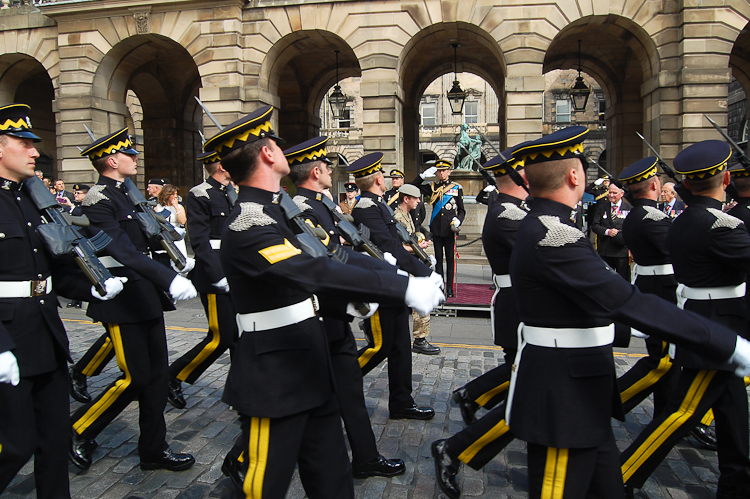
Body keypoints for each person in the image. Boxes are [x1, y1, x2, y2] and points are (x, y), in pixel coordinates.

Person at [202, 105, 443, 497]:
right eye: (276, 144)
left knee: (333, 479)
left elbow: (333, 258)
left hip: (311, 362)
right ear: (267, 154)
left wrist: (398, 274)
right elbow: (310, 272)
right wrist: (401, 289)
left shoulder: (278, 210)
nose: (282, 150)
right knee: (260, 487)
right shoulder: (249, 221)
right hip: (275, 375)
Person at [500, 126, 750, 499]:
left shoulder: (543, 225)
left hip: (581, 395)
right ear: (574, 175)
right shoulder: (556, 236)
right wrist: (726, 343)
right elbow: (629, 303)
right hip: (564, 400)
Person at [0, 103, 125, 499]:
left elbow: (50, 272)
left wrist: (93, 287)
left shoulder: (32, 202)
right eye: (23, 143)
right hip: (7, 340)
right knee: (15, 444)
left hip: (44, 335)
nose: (35, 151)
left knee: (54, 441)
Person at [620, 140, 750, 499]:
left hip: (709, 320)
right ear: (726, 178)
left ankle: (736, 482)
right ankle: (621, 475)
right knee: (683, 412)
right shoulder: (721, 224)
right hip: (717, 326)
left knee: (733, 413)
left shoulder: (684, 221)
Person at [69, 127, 198, 472]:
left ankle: (153, 449)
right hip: (121, 297)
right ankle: (79, 428)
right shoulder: (99, 199)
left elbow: (146, 239)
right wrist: (167, 277)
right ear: (112, 160)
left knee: (155, 377)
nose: (136, 158)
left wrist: (176, 254)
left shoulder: (127, 196)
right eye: (130, 154)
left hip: (145, 295)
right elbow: (121, 249)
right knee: (136, 377)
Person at [283, 135, 406, 479]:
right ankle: (243, 457)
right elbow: (328, 258)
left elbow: (351, 241)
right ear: (316, 171)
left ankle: (366, 457)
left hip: (333, 314)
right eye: (325, 165)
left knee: (349, 389)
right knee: (300, 395)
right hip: (320, 313)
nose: (330, 170)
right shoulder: (303, 208)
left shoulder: (323, 204)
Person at [433, 147, 529, 499]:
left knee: (526, 388)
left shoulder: (514, 210)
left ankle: (470, 399)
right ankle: (456, 443)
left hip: (522, 306)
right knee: (526, 390)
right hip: (518, 306)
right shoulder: (508, 215)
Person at [349, 152, 439, 420]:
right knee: (383, 346)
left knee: (400, 345)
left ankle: (402, 401)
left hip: (394, 281)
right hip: (381, 283)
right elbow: (386, 246)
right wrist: (422, 272)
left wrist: (418, 262)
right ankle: (333, 384)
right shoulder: (367, 206)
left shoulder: (378, 204)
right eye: (384, 175)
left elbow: (397, 241)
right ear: (379, 178)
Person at [166, 151, 238, 412]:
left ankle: (239, 391)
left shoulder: (234, 191)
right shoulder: (200, 194)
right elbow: (200, 240)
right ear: (220, 165)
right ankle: (173, 375)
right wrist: (219, 275)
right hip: (214, 275)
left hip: (235, 271)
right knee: (220, 337)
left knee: (240, 335)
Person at [393, 183, 440, 355]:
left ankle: (418, 338)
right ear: (406, 199)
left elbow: (409, 242)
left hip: (411, 262)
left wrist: (419, 246)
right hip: (407, 265)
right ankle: (420, 339)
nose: (419, 201)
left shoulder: (407, 215)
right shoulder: (398, 217)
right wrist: (417, 248)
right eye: (416, 198)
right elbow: (397, 246)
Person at [410, 159, 465, 297]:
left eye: (444, 170)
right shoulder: (432, 186)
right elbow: (413, 187)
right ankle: (440, 286)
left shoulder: (456, 188)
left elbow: (462, 210)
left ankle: (450, 288)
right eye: (439, 171)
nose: (441, 173)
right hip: (436, 228)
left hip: (449, 229)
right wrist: (422, 176)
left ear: (449, 171)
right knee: (438, 259)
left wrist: (458, 220)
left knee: (450, 260)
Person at [591, 182, 632, 281]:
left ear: (621, 193)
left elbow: (632, 230)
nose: (611, 195)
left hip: (621, 252)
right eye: (610, 193)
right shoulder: (602, 208)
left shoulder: (629, 208)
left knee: (623, 280)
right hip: (605, 251)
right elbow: (595, 226)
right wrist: (607, 231)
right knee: (605, 279)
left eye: (614, 193)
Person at [152, 184, 187, 268]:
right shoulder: (158, 207)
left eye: (176, 194)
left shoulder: (179, 207)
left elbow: (182, 222)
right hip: (165, 236)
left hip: (176, 236)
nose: (176, 196)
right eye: (174, 194)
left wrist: (176, 207)